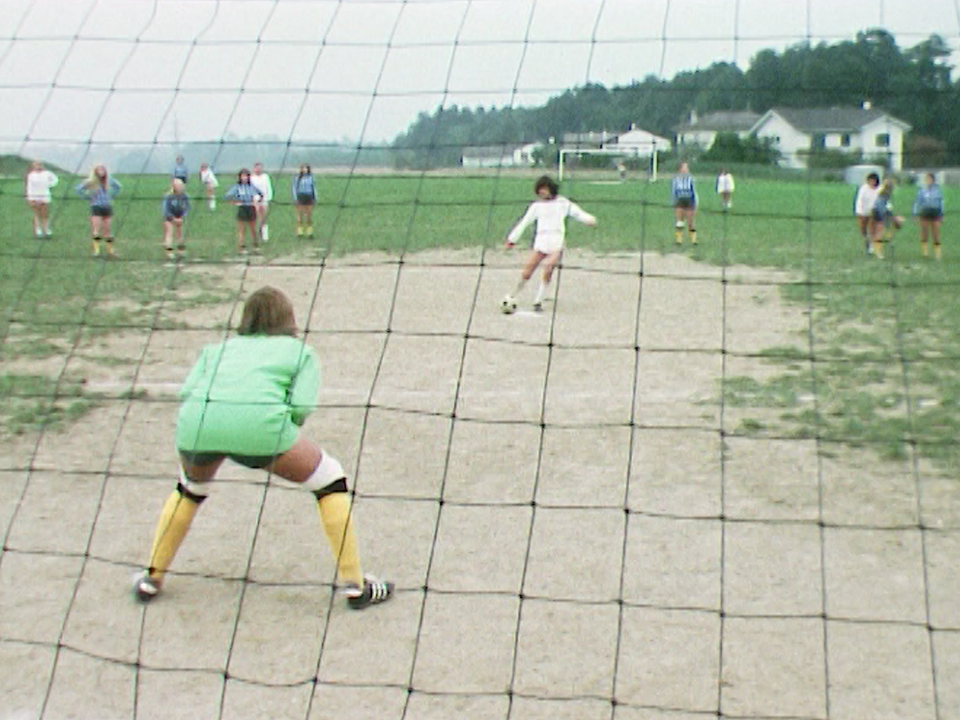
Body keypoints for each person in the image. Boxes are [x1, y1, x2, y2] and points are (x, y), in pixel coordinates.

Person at [132, 286, 394, 610]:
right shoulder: (301, 352)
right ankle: (356, 585)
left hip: (196, 425)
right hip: (260, 430)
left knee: (190, 489)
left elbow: (188, 391)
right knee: (330, 479)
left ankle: (151, 578)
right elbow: (301, 408)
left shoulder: (216, 349)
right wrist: (271, 435)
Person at [503, 175, 596, 312]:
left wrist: (589, 220)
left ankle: (538, 301)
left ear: (550, 189)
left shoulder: (563, 203)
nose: (541, 192)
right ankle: (512, 295)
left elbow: (577, 213)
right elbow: (524, 222)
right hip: (541, 242)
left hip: (556, 242)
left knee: (548, 268)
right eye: (539, 190)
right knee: (527, 272)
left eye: (544, 189)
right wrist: (512, 239)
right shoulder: (536, 206)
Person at [75, 164, 121, 257]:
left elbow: (118, 186)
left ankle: (110, 250)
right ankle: (97, 251)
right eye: (99, 170)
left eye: (103, 170)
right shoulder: (91, 181)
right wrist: (88, 197)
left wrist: (111, 196)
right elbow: (78, 189)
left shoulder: (109, 180)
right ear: (95, 171)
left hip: (107, 206)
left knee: (107, 229)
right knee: (96, 229)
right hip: (96, 206)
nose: (101, 172)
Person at [224, 169, 263, 255]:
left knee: (253, 228)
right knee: (241, 229)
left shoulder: (251, 187)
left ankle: (255, 246)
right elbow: (227, 196)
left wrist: (257, 201)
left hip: (250, 207)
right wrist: (234, 202)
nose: (244, 178)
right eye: (242, 176)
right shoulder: (237, 187)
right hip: (242, 208)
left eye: (246, 176)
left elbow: (260, 194)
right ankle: (241, 247)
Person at [869, 179, 903, 259]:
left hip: (876, 212)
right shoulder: (884, 196)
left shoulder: (884, 195)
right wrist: (893, 218)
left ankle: (874, 248)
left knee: (878, 232)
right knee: (879, 233)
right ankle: (878, 252)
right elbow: (883, 208)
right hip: (878, 213)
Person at [23, 160, 59, 238]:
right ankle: (37, 230)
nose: (38, 166)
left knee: (45, 214)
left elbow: (55, 180)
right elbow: (29, 187)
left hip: (44, 196)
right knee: (36, 214)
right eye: (36, 164)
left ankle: (46, 230)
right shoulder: (31, 175)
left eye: (39, 164)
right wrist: (29, 198)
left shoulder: (47, 173)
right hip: (34, 196)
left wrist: (49, 185)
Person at [913, 172, 944, 260]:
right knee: (924, 231)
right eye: (927, 179)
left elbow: (940, 202)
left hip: (935, 212)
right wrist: (915, 213)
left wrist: (941, 214)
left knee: (935, 232)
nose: (928, 181)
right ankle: (925, 251)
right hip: (925, 212)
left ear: (933, 180)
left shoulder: (937, 190)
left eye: (930, 179)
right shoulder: (922, 190)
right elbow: (917, 202)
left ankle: (937, 252)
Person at [161, 179, 191, 262]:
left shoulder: (184, 196)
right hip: (169, 217)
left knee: (179, 233)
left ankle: (180, 251)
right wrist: (172, 218)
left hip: (179, 216)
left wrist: (182, 217)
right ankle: (169, 252)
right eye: (180, 186)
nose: (182, 187)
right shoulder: (168, 196)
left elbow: (187, 207)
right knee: (169, 233)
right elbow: (165, 210)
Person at [854, 172, 881, 255]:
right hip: (863, 212)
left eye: (873, 181)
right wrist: (859, 211)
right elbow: (859, 200)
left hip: (873, 212)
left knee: (872, 229)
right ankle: (867, 242)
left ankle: (872, 246)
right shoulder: (863, 189)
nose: (872, 182)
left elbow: (883, 200)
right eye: (870, 180)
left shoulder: (879, 189)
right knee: (863, 229)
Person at [671, 162, 697, 245]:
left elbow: (694, 192)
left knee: (690, 221)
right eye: (684, 168)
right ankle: (679, 239)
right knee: (679, 221)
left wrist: (695, 203)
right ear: (680, 169)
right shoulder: (676, 179)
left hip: (689, 200)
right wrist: (674, 203)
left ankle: (693, 239)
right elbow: (673, 191)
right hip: (679, 200)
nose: (686, 170)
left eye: (687, 168)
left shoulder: (690, 179)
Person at [250, 162, 273, 242]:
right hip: (255, 200)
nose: (258, 169)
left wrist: (269, 198)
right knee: (256, 216)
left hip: (265, 199)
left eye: (260, 168)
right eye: (257, 168)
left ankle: (264, 234)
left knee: (264, 217)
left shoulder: (265, 177)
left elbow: (268, 187)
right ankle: (256, 233)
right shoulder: (251, 178)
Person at [291, 164, 316, 238]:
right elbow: (294, 188)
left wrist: (315, 197)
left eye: (306, 168)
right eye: (303, 168)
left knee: (308, 215)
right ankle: (300, 231)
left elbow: (313, 187)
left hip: (309, 196)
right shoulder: (297, 178)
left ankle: (309, 232)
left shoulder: (310, 177)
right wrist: (295, 198)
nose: (304, 170)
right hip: (300, 196)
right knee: (300, 215)